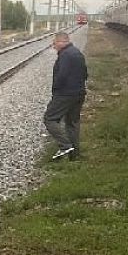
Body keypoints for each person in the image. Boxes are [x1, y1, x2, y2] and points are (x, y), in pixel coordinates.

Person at [43, 31, 88, 160]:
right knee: (72, 122)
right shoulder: (77, 53)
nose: (53, 46)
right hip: (79, 93)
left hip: (65, 94)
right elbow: (85, 74)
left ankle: (65, 145)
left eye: (54, 43)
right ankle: (75, 156)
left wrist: (56, 89)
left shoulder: (65, 55)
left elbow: (61, 76)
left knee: (49, 119)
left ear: (61, 42)